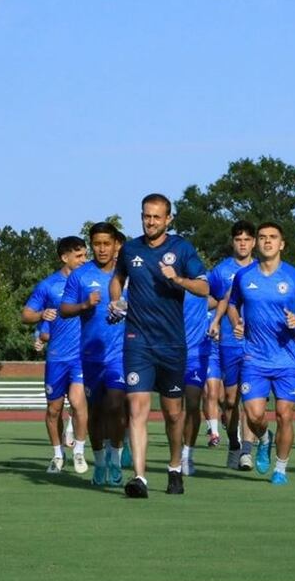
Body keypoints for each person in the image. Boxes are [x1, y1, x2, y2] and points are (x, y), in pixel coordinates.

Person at [109, 194, 209, 498]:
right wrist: (116, 299)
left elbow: (204, 288)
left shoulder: (181, 248)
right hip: (137, 341)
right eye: (145, 216)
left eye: (156, 217)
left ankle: (175, 467)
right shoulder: (130, 248)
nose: (150, 222)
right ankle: (139, 478)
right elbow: (117, 278)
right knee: (137, 408)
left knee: (173, 414)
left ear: (169, 219)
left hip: (172, 344)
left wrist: (177, 279)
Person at [225, 221, 295, 484]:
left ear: (282, 244)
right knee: (254, 415)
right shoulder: (244, 276)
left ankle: (280, 468)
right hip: (254, 357)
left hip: (286, 359)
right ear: (257, 242)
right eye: (263, 237)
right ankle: (263, 439)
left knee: (284, 415)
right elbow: (232, 305)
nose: (267, 241)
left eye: (273, 237)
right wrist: (237, 323)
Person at [62, 222, 129, 487]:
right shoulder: (80, 276)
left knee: (116, 404)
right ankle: (99, 462)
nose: (102, 249)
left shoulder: (128, 276)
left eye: (106, 243)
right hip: (90, 356)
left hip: (120, 354)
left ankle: (116, 456)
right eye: (97, 244)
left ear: (116, 245)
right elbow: (65, 308)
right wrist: (84, 305)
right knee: (97, 412)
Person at [23, 236, 90, 475]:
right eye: (79, 256)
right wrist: (42, 314)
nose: (84, 259)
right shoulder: (48, 286)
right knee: (53, 410)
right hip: (57, 358)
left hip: (82, 357)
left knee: (79, 402)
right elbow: (26, 314)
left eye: (85, 255)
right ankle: (57, 455)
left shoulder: (89, 282)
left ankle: (80, 451)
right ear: (65, 257)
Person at [206, 220, 258, 470]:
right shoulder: (220, 271)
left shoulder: (263, 269)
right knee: (230, 400)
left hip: (256, 343)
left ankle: (247, 451)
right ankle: (234, 443)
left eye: (247, 239)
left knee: (250, 397)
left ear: (254, 243)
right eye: (239, 239)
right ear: (232, 242)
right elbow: (209, 299)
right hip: (228, 342)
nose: (243, 244)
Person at [179, 289, 212, 476]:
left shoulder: (204, 280)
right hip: (171, 351)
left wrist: (215, 322)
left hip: (196, 355)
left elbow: (222, 298)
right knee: (173, 409)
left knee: (192, 403)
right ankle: (176, 454)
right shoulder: (166, 279)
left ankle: (187, 454)